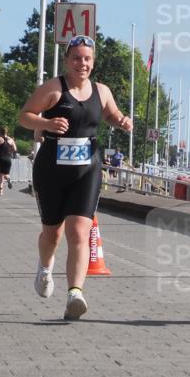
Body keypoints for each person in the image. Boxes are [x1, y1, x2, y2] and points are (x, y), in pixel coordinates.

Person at [18, 35, 133, 320]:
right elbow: (24, 116)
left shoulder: (102, 91)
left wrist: (121, 120)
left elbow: (111, 113)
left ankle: (75, 293)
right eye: (77, 58)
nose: (82, 64)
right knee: (52, 233)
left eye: (87, 59)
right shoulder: (53, 89)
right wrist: (45, 122)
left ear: (93, 62)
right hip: (51, 170)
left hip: (87, 169)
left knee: (80, 232)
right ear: (67, 60)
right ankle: (45, 269)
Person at [0, 126, 17, 194]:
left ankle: (0, 190)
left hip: (0, 158)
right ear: (7, 132)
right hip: (8, 158)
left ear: (0, 132)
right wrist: (10, 152)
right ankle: (8, 179)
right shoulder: (11, 140)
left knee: (0, 174)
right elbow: (15, 149)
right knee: (6, 174)